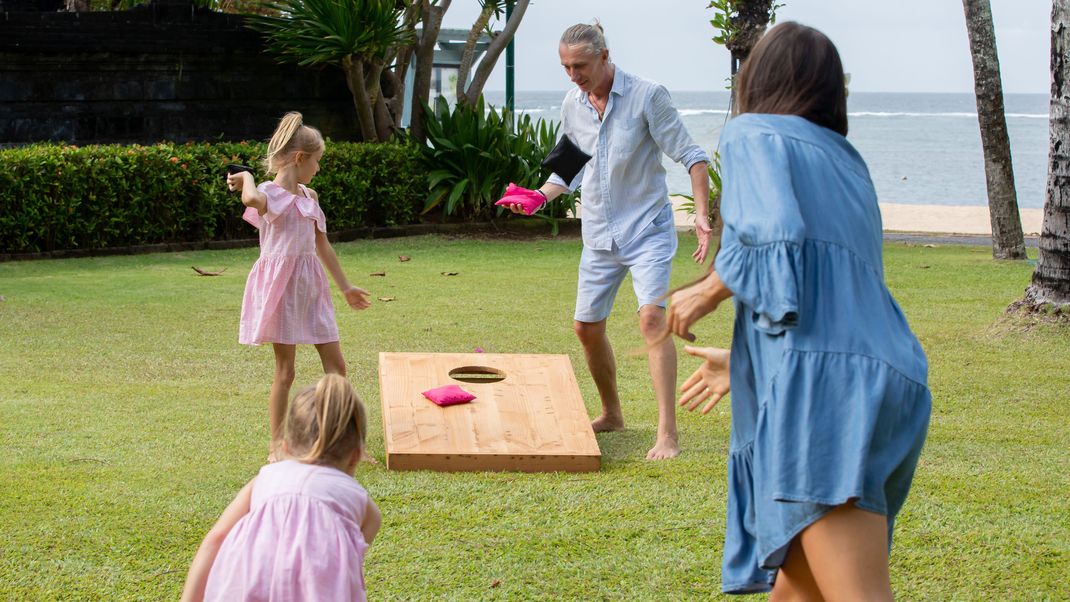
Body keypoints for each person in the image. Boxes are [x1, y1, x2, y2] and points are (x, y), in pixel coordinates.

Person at [665, 22, 932, 598]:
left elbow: (775, 236)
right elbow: (827, 290)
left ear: (755, 79)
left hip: (830, 393)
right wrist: (743, 363)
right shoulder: (846, 161)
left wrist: (708, 289)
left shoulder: (752, 133)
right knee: (798, 591)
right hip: (890, 379)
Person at [503, 22, 711, 460]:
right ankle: (613, 413)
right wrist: (539, 197)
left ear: (604, 56)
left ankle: (667, 433)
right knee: (585, 328)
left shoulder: (648, 96)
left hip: (647, 231)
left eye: (579, 65)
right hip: (599, 232)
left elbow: (693, 158)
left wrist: (703, 218)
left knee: (652, 321)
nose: (572, 75)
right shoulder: (572, 102)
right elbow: (568, 167)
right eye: (565, 66)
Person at [227, 112, 371, 461]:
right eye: (317, 161)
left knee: (337, 368)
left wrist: (346, 287)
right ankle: (277, 446)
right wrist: (246, 176)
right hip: (281, 291)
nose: (318, 168)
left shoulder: (310, 196)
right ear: (300, 158)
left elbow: (322, 245)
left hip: (311, 289)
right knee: (285, 371)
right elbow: (250, 201)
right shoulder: (267, 194)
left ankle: (351, 444)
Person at [180, 374, 381, 602]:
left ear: (284, 446)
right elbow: (350, 561)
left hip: (245, 586)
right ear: (355, 456)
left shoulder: (266, 478)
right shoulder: (357, 498)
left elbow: (217, 537)